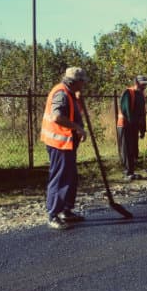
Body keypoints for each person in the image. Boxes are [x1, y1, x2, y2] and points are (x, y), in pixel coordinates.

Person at [41, 67, 88, 230]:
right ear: (75, 82)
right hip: (59, 144)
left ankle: (66, 210)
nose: (84, 85)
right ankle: (53, 214)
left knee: (71, 177)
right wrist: (78, 128)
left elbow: (73, 113)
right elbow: (57, 117)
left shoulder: (70, 93)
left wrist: (79, 100)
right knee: (60, 178)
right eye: (82, 82)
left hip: (67, 143)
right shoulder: (61, 93)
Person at [117, 75, 147, 181]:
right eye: (143, 84)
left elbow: (142, 113)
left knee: (133, 149)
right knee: (126, 149)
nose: (144, 86)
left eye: (145, 84)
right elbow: (126, 111)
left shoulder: (141, 95)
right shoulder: (128, 93)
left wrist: (142, 129)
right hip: (125, 125)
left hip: (134, 126)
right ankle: (127, 172)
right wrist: (133, 124)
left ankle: (131, 171)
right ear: (137, 83)